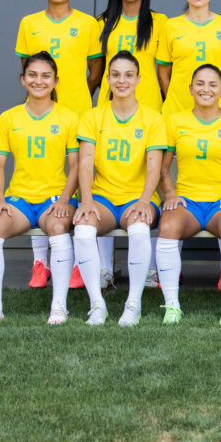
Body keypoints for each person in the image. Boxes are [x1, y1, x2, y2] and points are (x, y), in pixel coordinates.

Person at [15, 0, 102, 290]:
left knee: (81, 178)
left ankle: (79, 262)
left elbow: (95, 69)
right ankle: (41, 263)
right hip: (41, 111)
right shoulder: (29, 23)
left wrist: (80, 94)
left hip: (77, 111)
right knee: (42, 177)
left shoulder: (88, 24)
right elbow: (28, 67)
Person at [0, 52, 80, 325]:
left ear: (55, 81)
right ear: (23, 80)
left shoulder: (68, 118)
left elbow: (76, 165)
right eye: (32, 75)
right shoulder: (8, 118)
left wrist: (65, 199)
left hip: (54, 199)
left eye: (46, 76)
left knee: (58, 226)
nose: (39, 81)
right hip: (20, 199)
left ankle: (59, 307)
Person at [73, 51, 167, 326]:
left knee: (139, 230)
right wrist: (86, 200)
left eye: (128, 75)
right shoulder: (93, 116)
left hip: (137, 197)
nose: (122, 81)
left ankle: (133, 303)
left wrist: (145, 200)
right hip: (102, 197)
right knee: (83, 229)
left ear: (138, 79)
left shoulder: (152, 119)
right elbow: (85, 163)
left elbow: (154, 167)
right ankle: (97, 304)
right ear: (107, 79)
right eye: (115, 75)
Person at [157, 65, 221, 326]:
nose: (205, 89)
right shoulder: (175, 121)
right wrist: (169, 193)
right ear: (190, 89)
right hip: (187, 201)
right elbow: (162, 166)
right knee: (167, 227)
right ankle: (172, 306)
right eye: (199, 83)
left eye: (212, 84)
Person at [96, 0, 168, 290]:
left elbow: (164, 72)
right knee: (105, 183)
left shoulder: (159, 22)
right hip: (110, 112)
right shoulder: (103, 23)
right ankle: (104, 269)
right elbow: (97, 71)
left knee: (148, 185)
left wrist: (167, 108)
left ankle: (150, 268)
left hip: (148, 111)